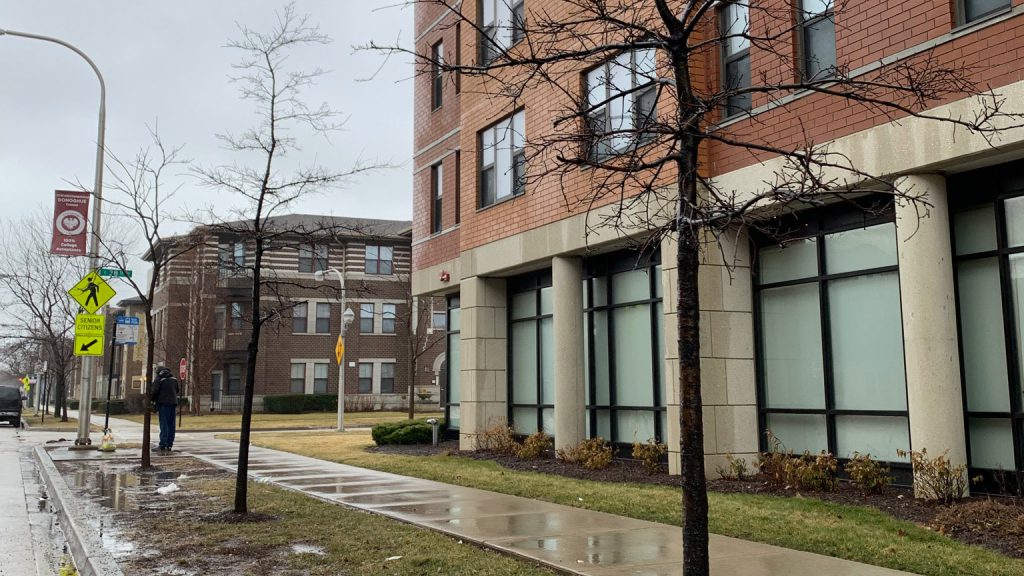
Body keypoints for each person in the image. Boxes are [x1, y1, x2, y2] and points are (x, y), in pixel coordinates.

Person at [151, 366, 180, 452]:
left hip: (163, 404)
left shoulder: (159, 379)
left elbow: (154, 392)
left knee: (164, 424)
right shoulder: (174, 379)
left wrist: (152, 400)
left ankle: (162, 444)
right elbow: (177, 390)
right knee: (171, 425)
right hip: (173, 403)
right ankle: (169, 444)